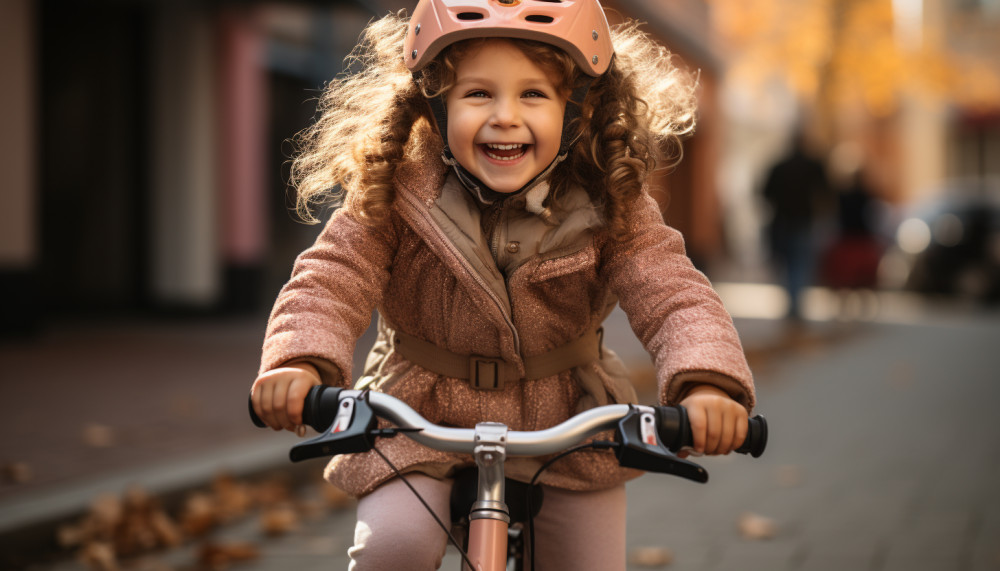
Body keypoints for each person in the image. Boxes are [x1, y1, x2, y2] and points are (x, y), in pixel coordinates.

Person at [250, 1, 756, 569]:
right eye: (478, 94)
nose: (505, 116)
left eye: (533, 94)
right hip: (419, 413)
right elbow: (332, 277)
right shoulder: (395, 188)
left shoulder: (610, 198)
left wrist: (707, 383)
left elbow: (672, 293)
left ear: (577, 108)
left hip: (567, 420)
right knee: (395, 545)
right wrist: (300, 363)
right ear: (435, 106)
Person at [762, 133, 833, 321]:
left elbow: (764, 193)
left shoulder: (779, 167)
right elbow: (826, 193)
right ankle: (796, 304)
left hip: (782, 222)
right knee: (800, 263)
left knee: (786, 264)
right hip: (803, 221)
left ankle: (792, 303)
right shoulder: (813, 166)